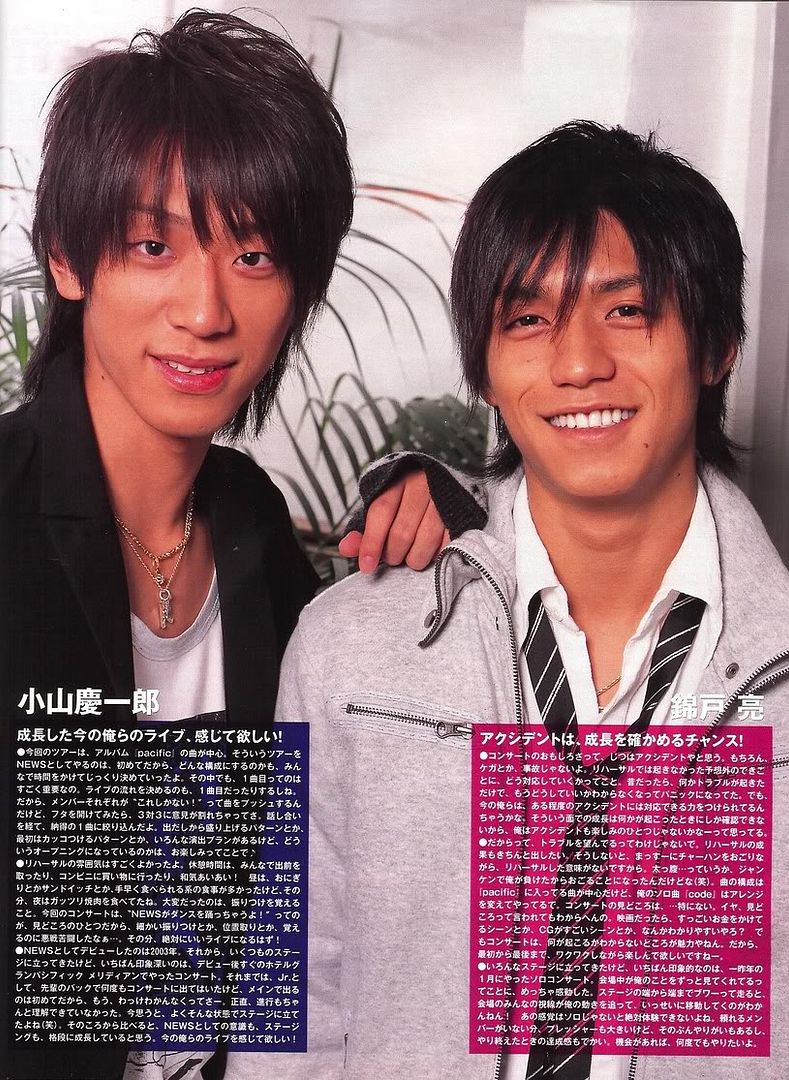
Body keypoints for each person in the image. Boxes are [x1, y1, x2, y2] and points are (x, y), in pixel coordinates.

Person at [264, 121, 789, 1080]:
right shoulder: (352, 648)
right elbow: (296, 996)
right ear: (484, 366)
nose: (577, 362)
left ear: (715, 346)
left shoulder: (776, 670)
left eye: (627, 311)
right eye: (527, 319)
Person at [0, 11, 458, 1079]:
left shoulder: (254, 525)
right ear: (68, 258)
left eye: (252, 255)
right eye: (153, 246)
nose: (205, 310)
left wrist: (452, 506)